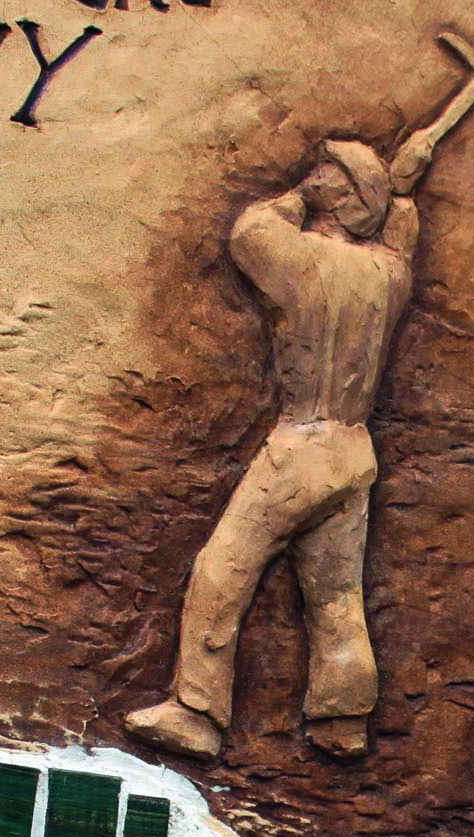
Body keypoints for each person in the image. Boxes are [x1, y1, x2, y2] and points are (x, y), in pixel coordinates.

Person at [127, 141, 417, 763]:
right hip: (354, 449)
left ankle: (196, 711)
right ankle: (343, 721)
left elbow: (250, 231)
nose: (312, 176)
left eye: (326, 173)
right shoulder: (389, 275)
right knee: (337, 595)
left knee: (223, 567)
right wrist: (397, 199)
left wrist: (294, 198)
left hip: (302, 442)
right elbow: (399, 245)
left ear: (343, 197)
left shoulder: (302, 259)